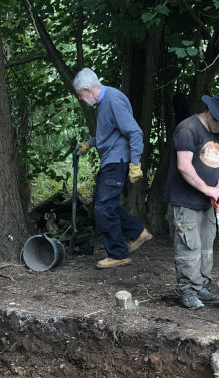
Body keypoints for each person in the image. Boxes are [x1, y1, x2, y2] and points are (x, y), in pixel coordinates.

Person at [71, 67, 153, 269]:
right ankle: (137, 231)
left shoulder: (113, 100)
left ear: (88, 90)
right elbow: (110, 133)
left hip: (117, 162)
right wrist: (90, 143)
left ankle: (118, 254)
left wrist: (135, 163)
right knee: (104, 205)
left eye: (81, 95)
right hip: (111, 160)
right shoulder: (105, 103)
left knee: (103, 208)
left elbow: (134, 132)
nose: (81, 99)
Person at [166, 92, 219, 309]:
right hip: (184, 201)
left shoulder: (217, 133)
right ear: (212, 114)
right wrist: (208, 189)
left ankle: (200, 287)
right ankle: (186, 290)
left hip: (207, 202)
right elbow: (184, 166)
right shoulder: (187, 129)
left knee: (206, 246)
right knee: (189, 247)